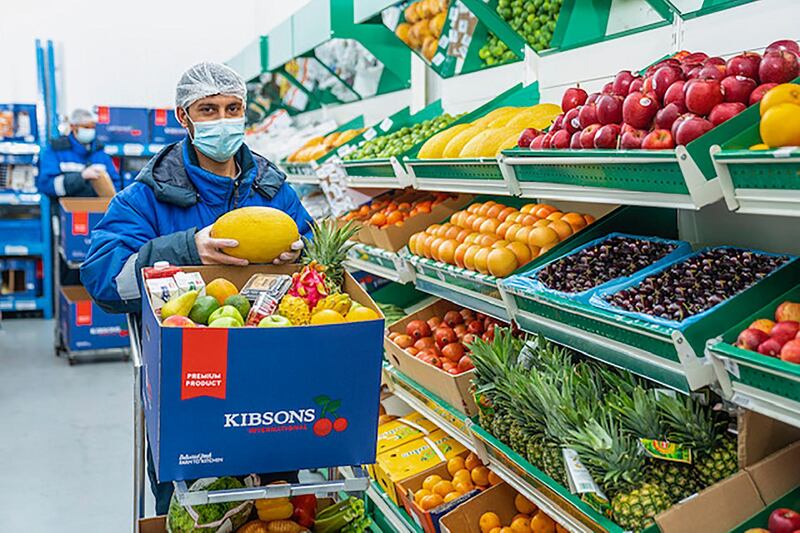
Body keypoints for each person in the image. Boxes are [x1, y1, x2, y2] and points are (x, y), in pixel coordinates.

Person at [80, 62, 313, 513]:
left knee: (277, 505)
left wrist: (299, 256)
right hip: (190, 386)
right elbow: (105, 280)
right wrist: (188, 248)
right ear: (184, 118)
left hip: (272, 386)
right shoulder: (146, 197)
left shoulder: (273, 190)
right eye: (208, 109)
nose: (223, 119)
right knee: (192, 505)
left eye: (232, 108)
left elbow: (316, 262)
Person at [37, 108, 121, 197]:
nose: (90, 131)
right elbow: (46, 185)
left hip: (97, 209)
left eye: (93, 127)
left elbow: (116, 184)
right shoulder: (56, 150)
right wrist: (81, 177)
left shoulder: (100, 153)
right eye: (86, 127)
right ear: (73, 127)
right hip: (65, 209)